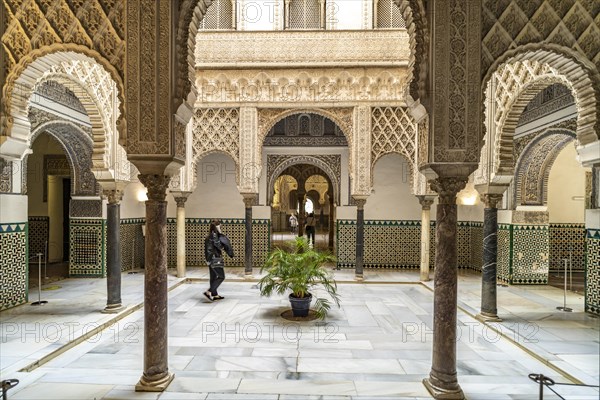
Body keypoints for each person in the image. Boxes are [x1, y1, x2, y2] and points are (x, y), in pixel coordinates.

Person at [204, 219, 233, 302]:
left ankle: (214, 294)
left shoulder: (208, 237)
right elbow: (219, 246)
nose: (221, 227)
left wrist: (208, 260)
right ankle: (209, 291)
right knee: (221, 276)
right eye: (220, 226)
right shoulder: (214, 237)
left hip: (210, 259)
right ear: (217, 227)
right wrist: (220, 233)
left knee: (213, 277)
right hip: (215, 259)